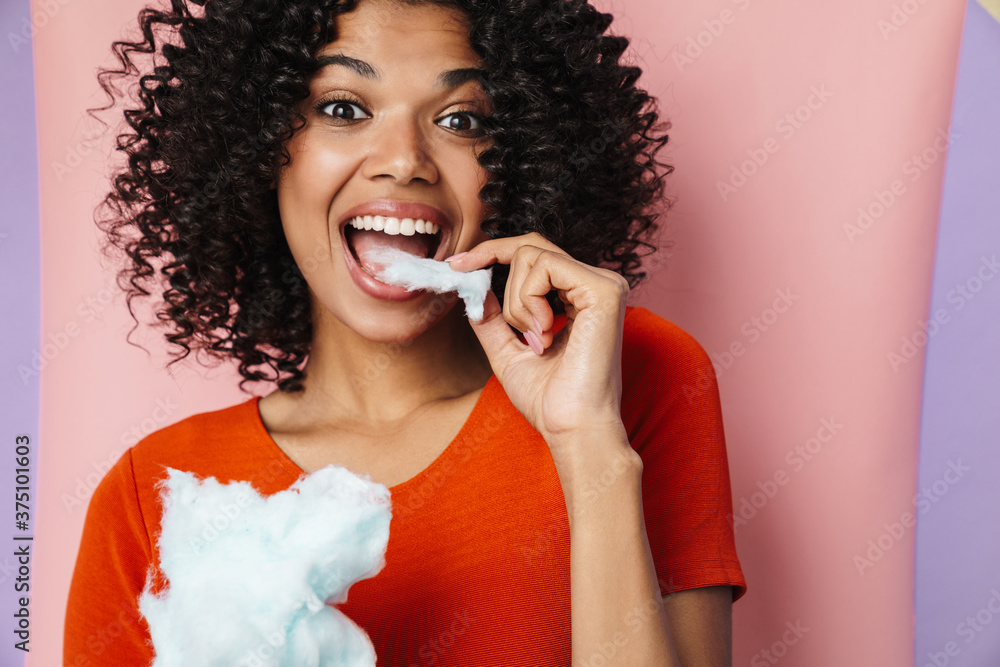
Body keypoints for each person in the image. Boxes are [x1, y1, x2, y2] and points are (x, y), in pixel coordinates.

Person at [65, 0, 746, 664]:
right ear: (261, 147)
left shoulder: (629, 377)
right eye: (343, 108)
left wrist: (589, 445)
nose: (404, 159)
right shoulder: (154, 491)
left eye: (461, 119)